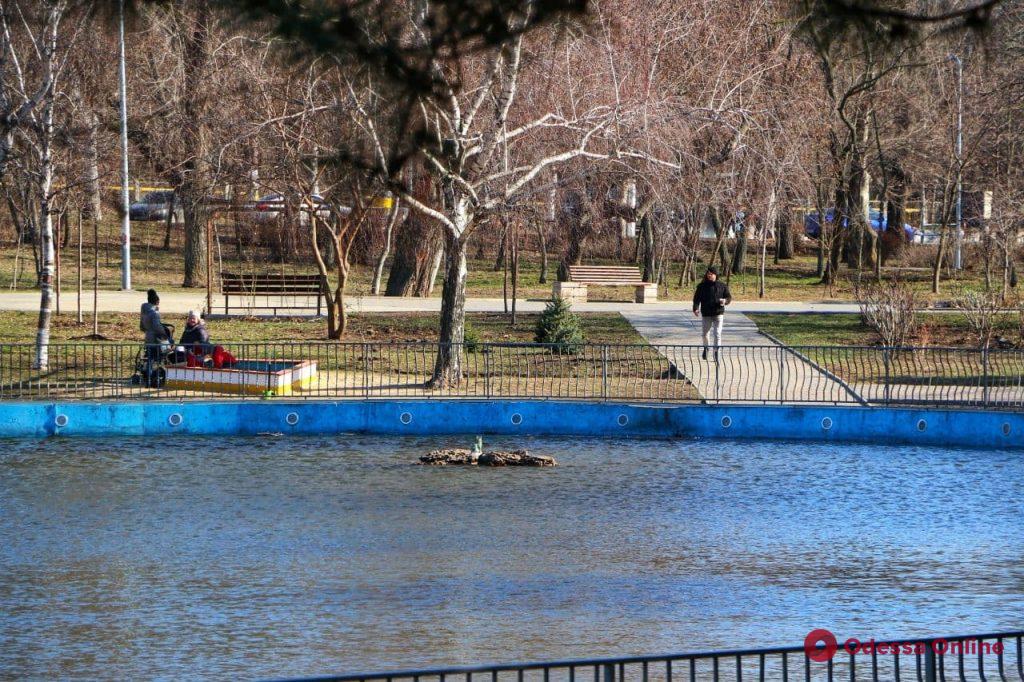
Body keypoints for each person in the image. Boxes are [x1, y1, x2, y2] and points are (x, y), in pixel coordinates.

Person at [692, 266, 732, 360]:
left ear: (715, 275)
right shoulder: (701, 286)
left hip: (718, 313)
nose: (709, 275)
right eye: (708, 274)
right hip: (706, 313)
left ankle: (716, 352)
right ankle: (706, 349)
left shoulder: (722, 286)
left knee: (717, 333)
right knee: (705, 334)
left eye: (711, 274)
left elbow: (729, 297)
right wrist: (695, 308)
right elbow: (696, 299)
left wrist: (725, 301)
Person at [139, 289, 171, 360]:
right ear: (157, 302)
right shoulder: (154, 313)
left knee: (149, 357)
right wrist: (164, 333)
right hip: (155, 339)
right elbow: (157, 326)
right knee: (156, 356)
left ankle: (147, 369)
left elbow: (141, 326)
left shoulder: (144, 310)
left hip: (148, 337)